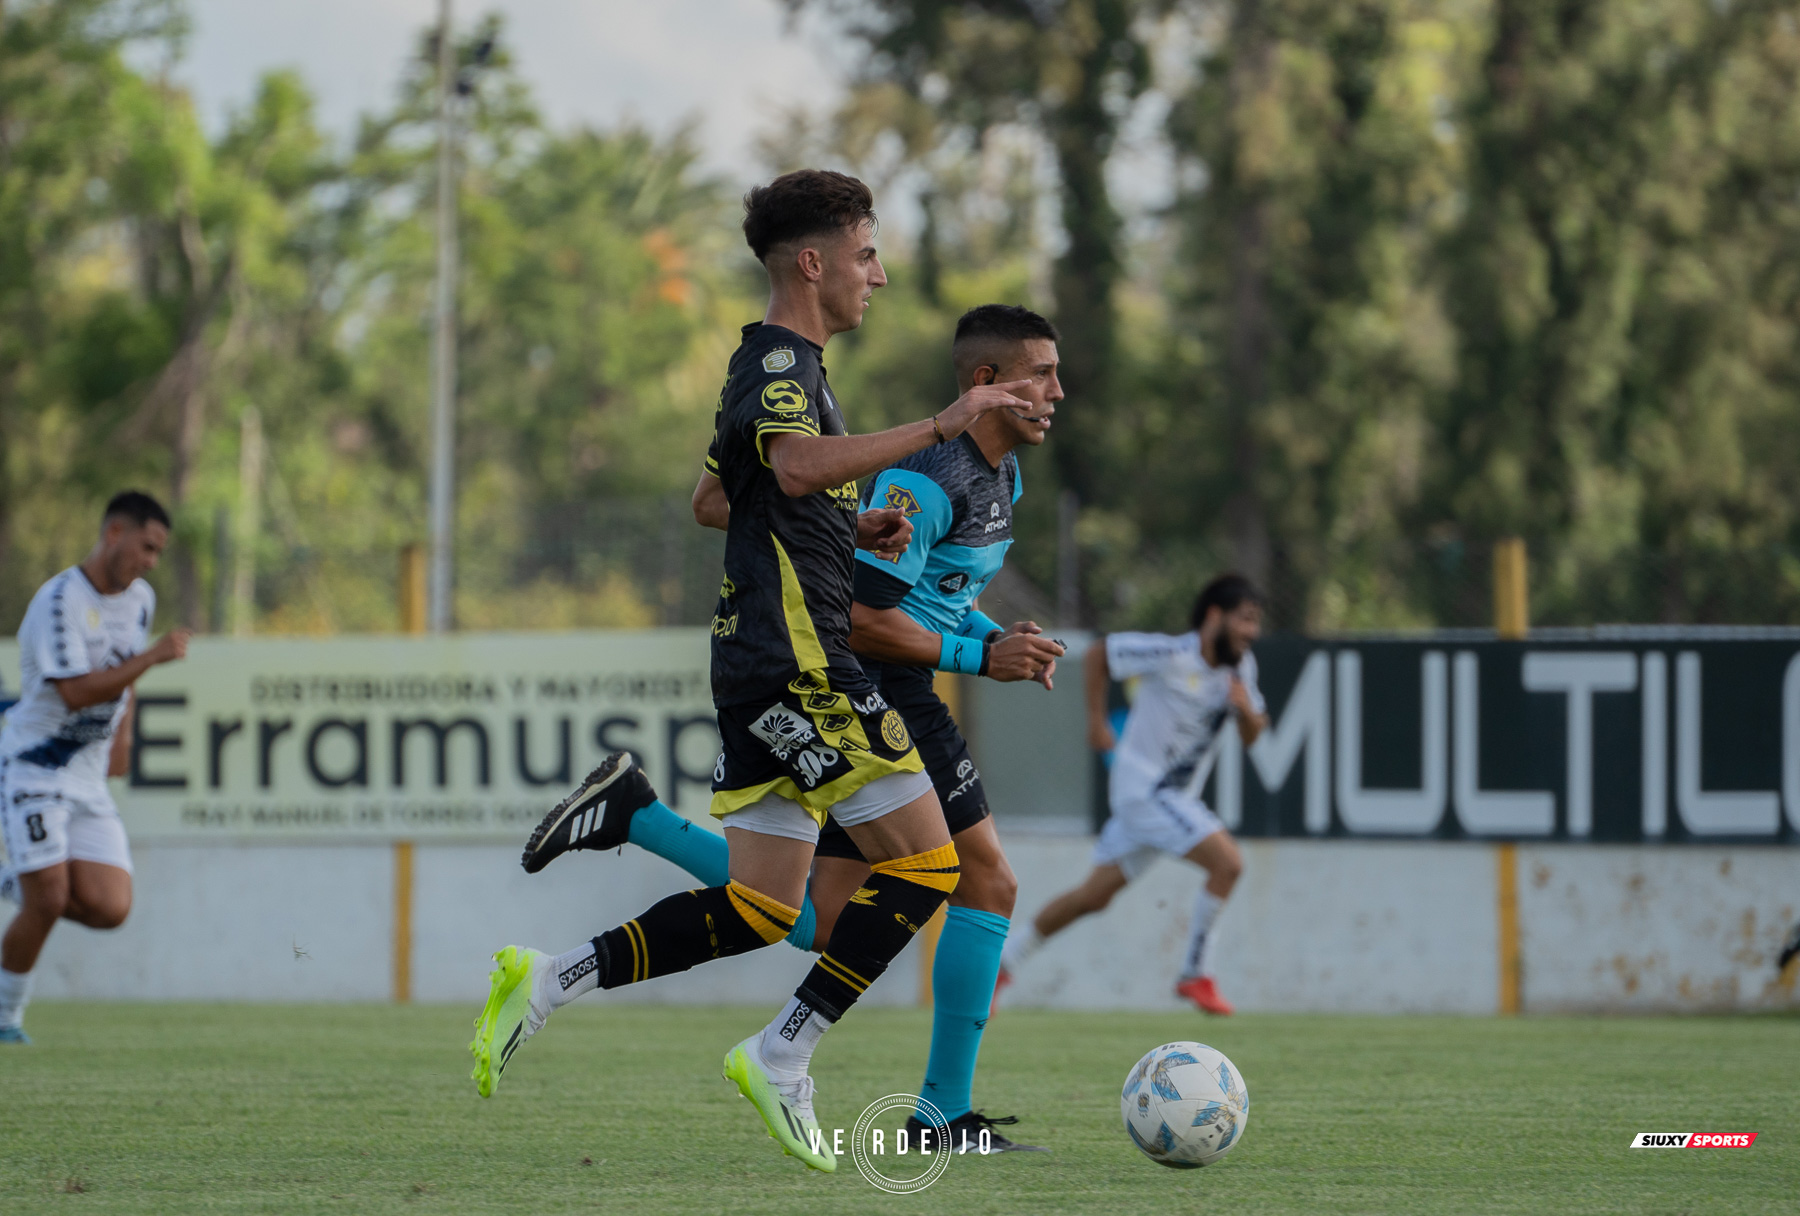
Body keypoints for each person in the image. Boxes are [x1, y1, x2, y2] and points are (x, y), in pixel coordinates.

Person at [468, 169, 1033, 1173]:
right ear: (813, 263)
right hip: (804, 662)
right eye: (866, 255)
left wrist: (838, 520)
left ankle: (548, 977)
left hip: (753, 666)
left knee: (769, 908)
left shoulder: (780, 369)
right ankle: (784, 1051)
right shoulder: (781, 361)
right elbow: (790, 469)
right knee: (932, 863)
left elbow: (713, 497)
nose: (881, 274)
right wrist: (940, 424)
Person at [998, 574, 1268, 1016]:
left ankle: (1004, 963)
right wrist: (1096, 722)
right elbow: (1100, 654)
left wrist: (1247, 709)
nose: (1251, 632)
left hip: (1168, 799)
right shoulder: (1172, 653)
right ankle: (1195, 973)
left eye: (1256, 623)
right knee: (1228, 863)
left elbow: (1256, 736)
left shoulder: (1241, 669)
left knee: (1093, 896)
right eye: (1245, 620)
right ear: (1215, 616)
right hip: (1144, 789)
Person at [0, 491, 191, 1043]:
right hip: (34, 767)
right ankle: (6, 1019)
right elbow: (77, 691)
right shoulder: (59, 600)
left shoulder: (140, 600)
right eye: (146, 547)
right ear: (114, 533)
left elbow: (121, 678)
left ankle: (14, 882)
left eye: (158, 552)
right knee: (51, 899)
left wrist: (122, 738)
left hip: (84, 775)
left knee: (111, 907)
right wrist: (153, 657)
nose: (151, 562)